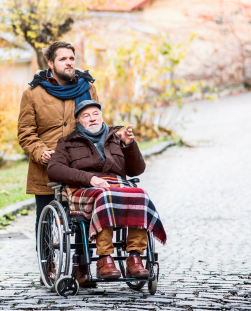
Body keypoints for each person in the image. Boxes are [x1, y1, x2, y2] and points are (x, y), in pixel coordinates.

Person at [47, 100, 167, 286]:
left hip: (116, 185)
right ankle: (105, 258)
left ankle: (134, 258)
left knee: (140, 195)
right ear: (79, 122)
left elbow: (137, 170)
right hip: (84, 189)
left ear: (102, 116)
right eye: (86, 116)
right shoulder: (68, 142)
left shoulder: (116, 137)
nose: (92, 118)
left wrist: (129, 145)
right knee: (105, 195)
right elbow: (54, 169)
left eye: (95, 114)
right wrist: (89, 179)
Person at [17, 41, 98, 236]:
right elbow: (26, 132)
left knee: (83, 218)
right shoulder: (32, 94)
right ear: (51, 63)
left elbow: (95, 124)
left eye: (72, 58)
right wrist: (41, 152)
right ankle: (48, 261)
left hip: (82, 165)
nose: (69, 62)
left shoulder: (87, 88)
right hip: (47, 168)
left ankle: (82, 263)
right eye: (63, 59)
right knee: (45, 222)